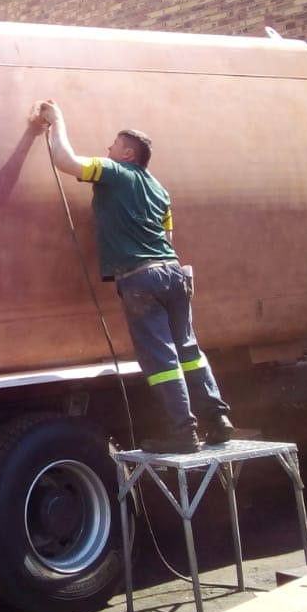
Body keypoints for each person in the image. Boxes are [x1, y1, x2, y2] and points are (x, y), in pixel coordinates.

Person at [31, 99, 234, 454]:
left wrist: (56, 120)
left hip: (141, 279)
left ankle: (183, 433)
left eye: (113, 144)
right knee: (188, 350)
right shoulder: (160, 190)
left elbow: (66, 161)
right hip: (174, 272)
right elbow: (167, 237)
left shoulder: (114, 171)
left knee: (161, 359)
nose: (107, 148)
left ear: (127, 154)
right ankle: (217, 420)